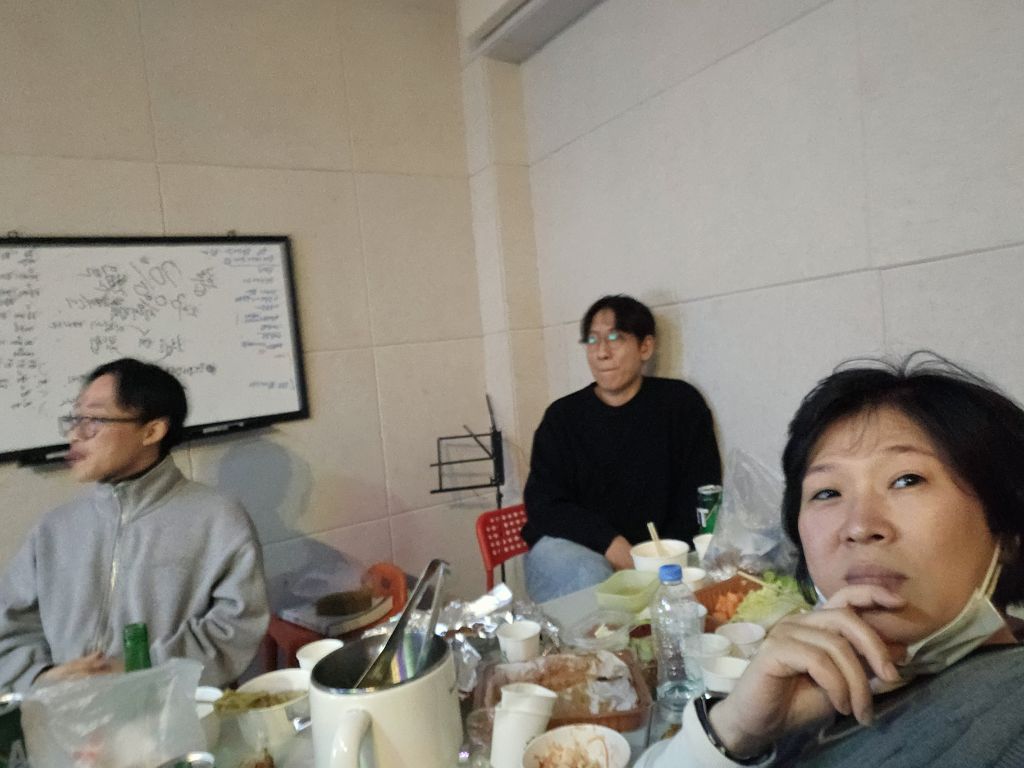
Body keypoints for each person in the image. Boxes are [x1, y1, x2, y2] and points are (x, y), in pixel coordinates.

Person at [638, 354, 1024, 767]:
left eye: (906, 480)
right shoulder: (805, 687)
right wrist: (734, 731)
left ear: (1005, 528)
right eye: (827, 492)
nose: (859, 526)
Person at [0, 358, 270, 691]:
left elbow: (235, 629)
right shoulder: (53, 530)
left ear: (151, 431)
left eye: (94, 420)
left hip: (179, 710)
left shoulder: (217, 519)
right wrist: (40, 677)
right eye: (75, 419)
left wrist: (139, 669)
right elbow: (10, 628)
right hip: (68, 713)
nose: (75, 434)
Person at [522, 295, 721, 602]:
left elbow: (702, 492)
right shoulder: (563, 418)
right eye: (592, 340)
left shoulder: (680, 405)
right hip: (576, 548)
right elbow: (544, 504)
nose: (602, 352)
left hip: (658, 554)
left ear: (645, 347)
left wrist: (660, 557)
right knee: (592, 577)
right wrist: (611, 544)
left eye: (615, 338)